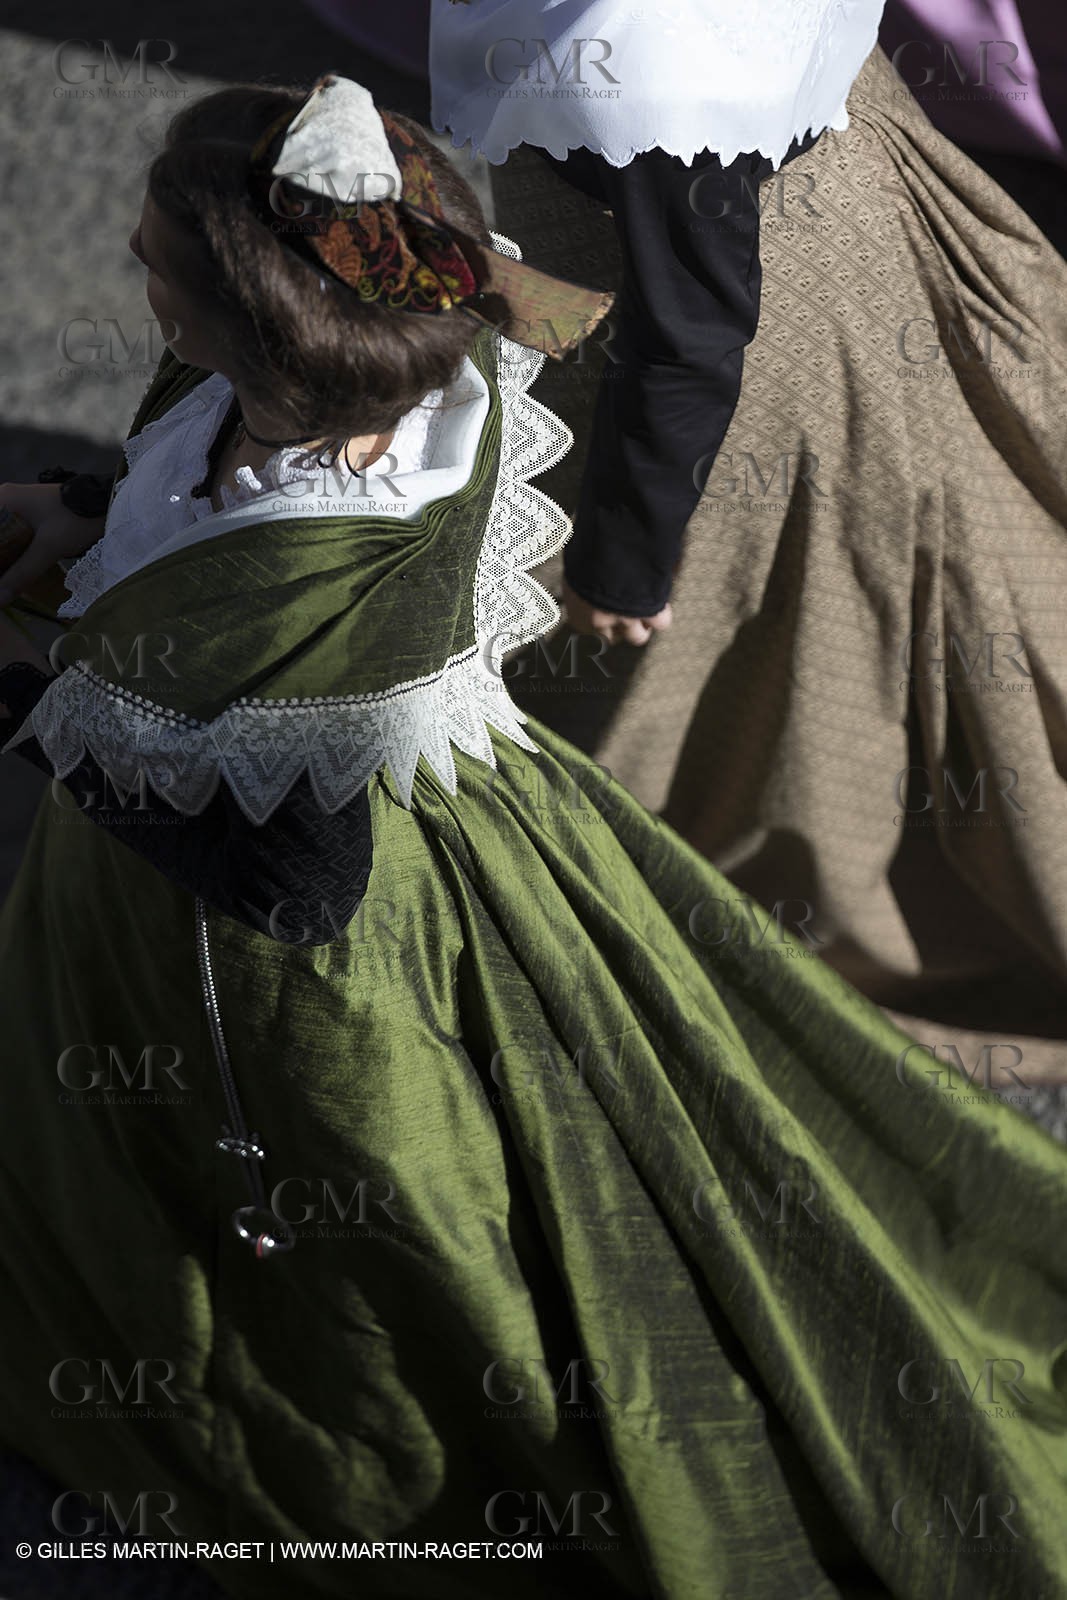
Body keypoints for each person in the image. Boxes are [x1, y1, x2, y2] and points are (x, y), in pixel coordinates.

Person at [0, 73, 1065, 1600]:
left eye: (153, 264)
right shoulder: (427, 348)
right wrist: (93, 512)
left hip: (312, 979)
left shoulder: (321, 606)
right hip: (448, 821)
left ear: (220, 329)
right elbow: (217, 503)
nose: (132, 258)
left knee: (396, 1236)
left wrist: (41, 664)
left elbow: (290, 885)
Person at [431, 4, 1067, 1023]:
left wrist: (621, 567)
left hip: (737, 333)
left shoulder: (648, 60)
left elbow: (688, 334)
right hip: (798, 197)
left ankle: (635, 915)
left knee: (734, 668)